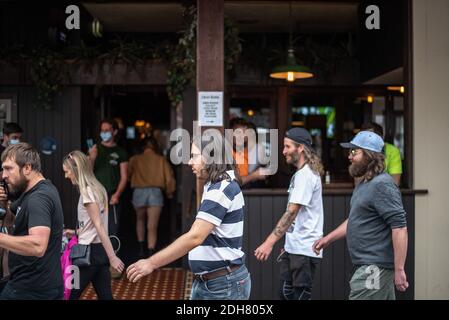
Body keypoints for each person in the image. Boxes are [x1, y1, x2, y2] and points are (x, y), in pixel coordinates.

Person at [127, 137, 251, 300]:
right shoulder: (216, 185)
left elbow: (195, 237)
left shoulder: (220, 189)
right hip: (212, 283)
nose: (189, 161)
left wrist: (151, 263)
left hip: (222, 286)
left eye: (194, 156)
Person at [313, 131, 409, 300]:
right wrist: (328, 239)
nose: (349, 156)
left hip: (374, 268)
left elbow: (399, 227)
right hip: (369, 266)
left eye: (354, 152)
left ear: (369, 156)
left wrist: (399, 269)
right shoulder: (366, 183)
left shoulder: (382, 185)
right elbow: (356, 218)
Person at [255, 128, 324, 300]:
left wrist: (268, 243)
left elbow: (292, 212)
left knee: (294, 296)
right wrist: (288, 243)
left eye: (287, 146)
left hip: (303, 250)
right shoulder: (302, 174)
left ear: (300, 148)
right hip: (296, 248)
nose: (283, 151)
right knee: (286, 295)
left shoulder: (306, 175)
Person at [0, 143, 63, 299]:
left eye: (9, 168)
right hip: (31, 283)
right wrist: (3, 203)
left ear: (27, 168)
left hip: (32, 289)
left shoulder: (39, 198)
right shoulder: (30, 192)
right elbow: (12, 220)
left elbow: (38, 245)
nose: (3, 175)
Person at [62, 151, 125, 300]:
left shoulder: (87, 192)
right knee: (106, 297)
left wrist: (113, 257)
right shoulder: (99, 188)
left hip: (86, 255)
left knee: (69, 295)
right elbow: (94, 223)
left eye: (67, 171)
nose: (66, 176)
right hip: (98, 253)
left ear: (76, 170)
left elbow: (99, 225)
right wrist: (76, 232)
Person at [88, 118, 128, 279]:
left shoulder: (120, 152)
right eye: (102, 130)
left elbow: (124, 177)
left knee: (112, 230)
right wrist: (91, 157)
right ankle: (96, 265)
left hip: (112, 198)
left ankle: (113, 266)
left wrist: (117, 195)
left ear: (114, 132)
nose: (104, 133)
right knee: (94, 229)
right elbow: (87, 174)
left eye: (107, 130)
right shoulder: (94, 149)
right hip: (95, 197)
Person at [128, 137, 176, 258]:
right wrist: (170, 192)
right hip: (155, 192)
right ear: (155, 146)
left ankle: (140, 249)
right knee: (152, 226)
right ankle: (150, 251)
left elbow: (127, 175)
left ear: (142, 147)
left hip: (139, 191)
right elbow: (169, 178)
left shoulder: (134, 159)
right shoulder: (161, 160)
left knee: (140, 221)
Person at [229, 117, 266, 188]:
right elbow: (236, 183)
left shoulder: (243, 151)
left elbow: (244, 177)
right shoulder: (228, 153)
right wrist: (254, 175)